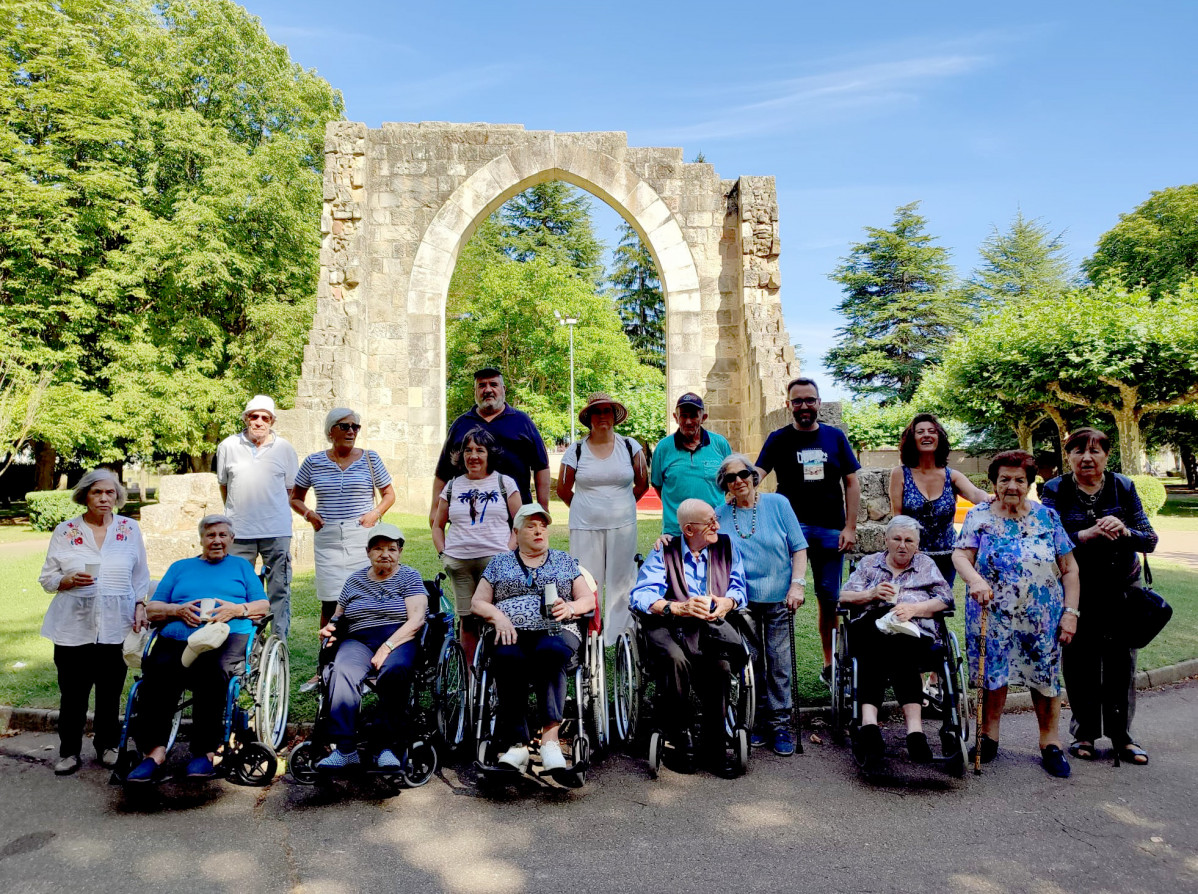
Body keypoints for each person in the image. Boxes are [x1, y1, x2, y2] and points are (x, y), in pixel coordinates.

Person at [952, 450, 1080, 778]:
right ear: (993, 483)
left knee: (1045, 678)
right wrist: (976, 580)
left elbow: (1069, 569)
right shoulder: (978, 515)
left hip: (1041, 616)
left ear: (1029, 483)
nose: (1012, 485)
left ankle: (1050, 743)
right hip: (991, 612)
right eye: (1004, 479)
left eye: (1019, 479)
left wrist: (1070, 613)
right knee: (992, 675)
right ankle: (989, 737)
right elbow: (961, 557)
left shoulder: (1047, 517)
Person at [1041, 428, 1159, 765]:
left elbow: (1148, 539)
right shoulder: (1056, 488)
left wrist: (1124, 531)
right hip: (1075, 587)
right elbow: (1048, 539)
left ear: (1107, 456)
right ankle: (1085, 734)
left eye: (1094, 451)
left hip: (1123, 586)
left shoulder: (1123, 486)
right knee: (1079, 663)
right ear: (1069, 456)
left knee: (1122, 662)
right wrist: (1083, 535)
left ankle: (1122, 737)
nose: (1086, 458)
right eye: (1078, 451)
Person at [126, 516, 270, 782]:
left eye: (223, 535)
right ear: (201, 539)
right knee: (157, 672)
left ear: (231, 539)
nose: (216, 540)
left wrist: (236, 609)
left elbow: (263, 605)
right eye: (211, 535)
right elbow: (153, 608)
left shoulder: (241, 567)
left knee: (212, 672)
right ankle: (154, 753)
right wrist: (176, 610)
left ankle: (204, 753)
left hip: (225, 635)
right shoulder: (180, 567)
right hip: (177, 636)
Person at [37, 469, 149, 775]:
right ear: (85, 495)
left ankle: (108, 746)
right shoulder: (66, 530)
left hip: (117, 622)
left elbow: (140, 575)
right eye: (96, 492)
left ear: (117, 496)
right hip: (73, 625)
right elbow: (47, 579)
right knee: (73, 694)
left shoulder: (129, 528)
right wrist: (67, 580)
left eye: (109, 492)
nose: (103, 498)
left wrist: (141, 605)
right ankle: (69, 752)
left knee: (110, 691)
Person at [470, 504, 596, 774]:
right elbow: (478, 603)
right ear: (516, 532)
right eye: (531, 525)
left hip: (556, 630)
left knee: (550, 651)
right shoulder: (499, 563)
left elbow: (587, 598)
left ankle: (550, 742)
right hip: (509, 631)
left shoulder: (564, 560)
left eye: (543, 525)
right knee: (506, 656)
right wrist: (499, 617)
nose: (539, 530)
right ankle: (517, 745)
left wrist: (571, 608)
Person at [630, 499, 749, 775]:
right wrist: (676, 607)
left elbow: (738, 586)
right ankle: (680, 735)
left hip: (708, 627)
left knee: (720, 667)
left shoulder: (726, 547)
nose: (717, 525)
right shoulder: (665, 551)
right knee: (675, 660)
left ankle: (715, 745)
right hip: (667, 625)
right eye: (710, 522)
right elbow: (641, 594)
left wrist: (727, 602)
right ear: (688, 529)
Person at [756, 377, 860, 686]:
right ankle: (774, 668)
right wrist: (737, 484)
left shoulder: (835, 438)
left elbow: (851, 482)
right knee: (778, 598)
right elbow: (758, 473)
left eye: (810, 400)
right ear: (789, 405)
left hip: (830, 529)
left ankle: (830, 665)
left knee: (829, 597)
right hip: (790, 531)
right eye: (798, 401)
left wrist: (850, 527)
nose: (804, 406)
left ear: (818, 403)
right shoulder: (778, 439)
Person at [838, 516, 955, 772]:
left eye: (909, 540)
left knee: (900, 647)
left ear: (917, 544)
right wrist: (869, 594)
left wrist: (915, 608)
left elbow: (946, 599)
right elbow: (842, 596)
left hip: (912, 634)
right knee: (879, 642)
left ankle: (888, 729)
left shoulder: (926, 565)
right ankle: (905, 731)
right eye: (897, 539)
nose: (902, 545)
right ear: (886, 540)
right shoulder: (870, 564)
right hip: (872, 630)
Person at [712, 454, 807, 756]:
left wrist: (797, 585)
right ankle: (756, 719)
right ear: (724, 484)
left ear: (754, 476)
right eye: (730, 477)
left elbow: (799, 547)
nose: (738, 480)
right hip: (741, 601)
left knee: (779, 663)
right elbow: (701, 545)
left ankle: (780, 724)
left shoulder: (778, 504)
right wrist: (666, 540)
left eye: (743, 474)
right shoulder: (720, 513)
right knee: (751, 663)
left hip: (779, 597)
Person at [315, 524, 428, 770]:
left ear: (400, 552)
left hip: (400, 638)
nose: (384, 554)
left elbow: (417, 620)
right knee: (342, 669)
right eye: (378, 548)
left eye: (391, 549)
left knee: (395, 672)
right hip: (359, 639)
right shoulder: (354, 580)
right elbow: (338, 617)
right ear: (368, 552)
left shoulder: (409, 577)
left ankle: (387, 747)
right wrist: (329, 630)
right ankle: (345, 750)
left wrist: (387, 647)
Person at [291, 407, 396, 632]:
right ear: (331, 432)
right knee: (330, 602)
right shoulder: (313, 462)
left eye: (355, 427)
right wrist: (309, 515)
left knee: (366, 595)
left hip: (362, 536)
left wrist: (374, 514)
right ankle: (327, 656)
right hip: (328, 539)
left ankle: (363, 647)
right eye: (345, 426)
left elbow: (389, 494)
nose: (351, 431)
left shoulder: (370, 458)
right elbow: (295, 498)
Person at [557, 392, 649, 646]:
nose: (602, 417)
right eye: (597, 412)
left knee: (622, 580)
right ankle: (589, 635)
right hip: (585, 525)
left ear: (614, 416)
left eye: (607, 411)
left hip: (623, 525)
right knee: (587, 579)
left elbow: (642, 484)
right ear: (589, 418)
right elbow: (563, 490)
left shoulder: (630, 446)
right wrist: (588, 508)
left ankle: (619, 638)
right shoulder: (576, 449)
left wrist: (621, 506)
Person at [431, 426, 521, 661]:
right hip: (459, 564)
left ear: (489, 454)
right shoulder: (451, 486)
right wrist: (444, 556)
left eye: (480, 450)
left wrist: (506, 554)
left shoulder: (505, 484)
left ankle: (493, 674)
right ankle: (471, 682)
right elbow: (437, 525)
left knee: (495, 616)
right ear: (461, 455)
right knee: (467, 620)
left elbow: (520, 524)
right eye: (468, 450)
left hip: (495, 563)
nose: (473, 456)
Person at [216, 395, 299, 641]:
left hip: (276, 531)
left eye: (265, 417)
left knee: (279, 590)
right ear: (246, 419)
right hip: (239, 532)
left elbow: (290, 490)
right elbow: (225, 486)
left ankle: (279, 641)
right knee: (236, 588)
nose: (259, 422)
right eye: (254, 416)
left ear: (272, 421)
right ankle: (241, 639)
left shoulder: (285, 448)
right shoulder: (228, 446)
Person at [888, 413, 992, 586]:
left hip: (947, 557)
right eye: (920, 432)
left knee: (940, 606)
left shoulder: (952, 476)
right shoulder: (900, 474)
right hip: (913, 554)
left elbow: (975, 495)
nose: (926, 435)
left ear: (939, 438)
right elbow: (897, 518)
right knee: (911, 604)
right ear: (912, 439)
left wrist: (991, 498)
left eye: (932, 431)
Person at [433, 367, 550, 515]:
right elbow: (443, 473)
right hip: (468, 517)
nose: (488, 390)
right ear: (475, 391)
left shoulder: (522, 422)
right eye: (482, 385)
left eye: (493, 384)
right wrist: (434, 509)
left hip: (516, 515)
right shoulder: (461, 425)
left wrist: (543, 507)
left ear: (503, 389)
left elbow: (541, 467)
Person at [650, 392, 731, 536]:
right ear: (676, 417)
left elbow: (729, 481)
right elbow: (658, 485)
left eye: (693, 416)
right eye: (683, 415)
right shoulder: (663, 448)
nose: (688, 421)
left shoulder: (720, 444)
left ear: (703, 418)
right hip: (675, 532)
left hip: (714, 529)